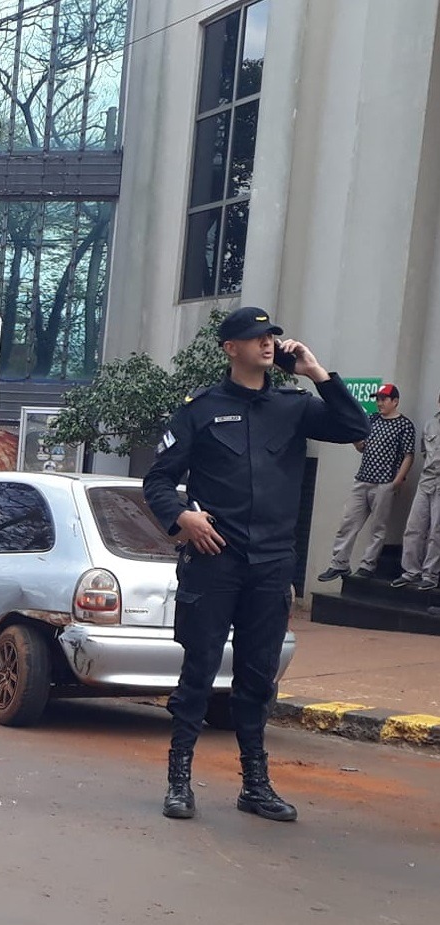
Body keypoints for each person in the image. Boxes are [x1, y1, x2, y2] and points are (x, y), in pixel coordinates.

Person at [143, 307, 370, 822]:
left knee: (258, 678)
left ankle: (255, 785)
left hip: (271, 564)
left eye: (271, 336)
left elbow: (355, 426)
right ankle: (179, 781)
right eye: (255, 337)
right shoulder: (199, 409)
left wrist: (317, 373)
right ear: (231, 348)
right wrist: (183, 517)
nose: (268, 344)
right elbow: (157, 480)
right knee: (198, 672)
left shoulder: (294, 405)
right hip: (214, 559)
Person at [315, 383, 416, 582]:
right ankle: (339, 564)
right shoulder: (371, 420)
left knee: (378, 527)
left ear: (395, 401)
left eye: (383, 399)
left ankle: (367, 565)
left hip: (384, 482)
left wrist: (397, 480)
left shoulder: (404, 425)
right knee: (348, 522)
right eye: (377, 399)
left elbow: (408, 455)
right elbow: (362, 447)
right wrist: (354, 438)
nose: (379, 403)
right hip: (362, 479)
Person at [393, 389, 440, 592]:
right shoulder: (430, 424)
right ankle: (411, 572)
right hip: (426, 479)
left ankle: (430, 575)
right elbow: (424, 451)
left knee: (436, 531)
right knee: (414, 526)